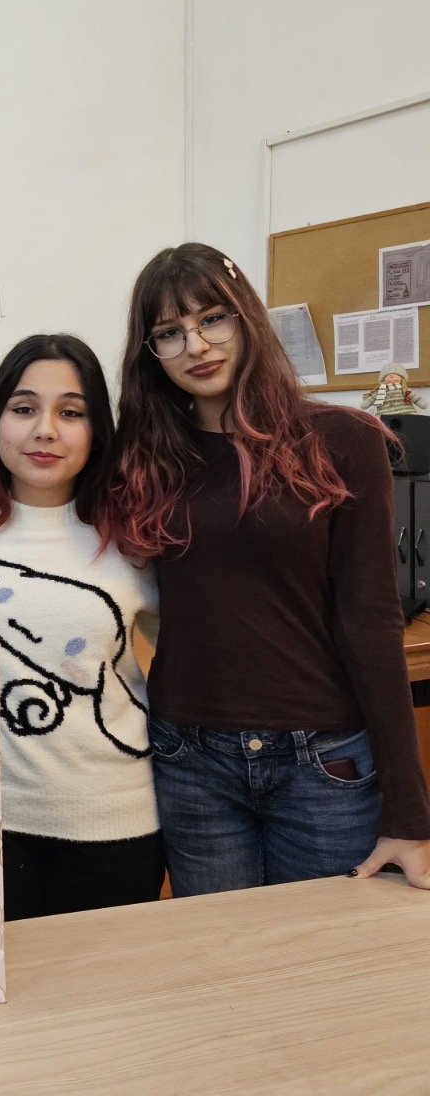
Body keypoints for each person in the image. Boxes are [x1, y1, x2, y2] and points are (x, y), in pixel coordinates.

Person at [108, 244, 430, 894]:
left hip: (324, 763)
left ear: (246, 317)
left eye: (212, 319)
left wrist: (408, 811)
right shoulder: (143, 456)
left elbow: (371, 620)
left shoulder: (345, 439)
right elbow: (37, 491)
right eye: (169, 332)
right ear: (151, 352)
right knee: (220, 951)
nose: (196, 345)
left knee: (319, 954)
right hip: (190, 759)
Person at [0, 334, 163, 918]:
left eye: (71, 413)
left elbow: (196, 656)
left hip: (115, 821)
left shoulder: (136, 534)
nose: (45, 430)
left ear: (97, 428)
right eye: (24, 408)